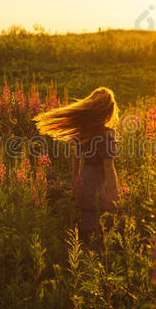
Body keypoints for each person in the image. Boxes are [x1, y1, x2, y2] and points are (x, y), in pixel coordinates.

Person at [33, 87, 119, 237]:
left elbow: (76, 161)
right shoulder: (107, 134)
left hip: (84, 186)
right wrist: (115, 194)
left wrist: (76, 184)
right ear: (108, 111)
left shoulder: (82, 132)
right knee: (105, 235)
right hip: (102, 191)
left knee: (87, 233)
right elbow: (108, 166)